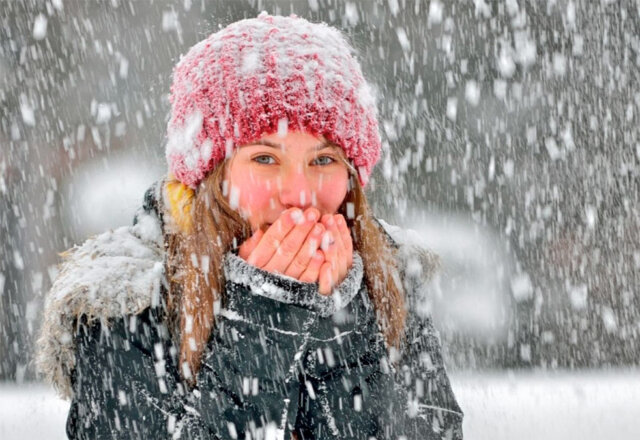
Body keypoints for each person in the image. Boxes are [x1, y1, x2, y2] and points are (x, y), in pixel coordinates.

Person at [35, 13, 463, 440]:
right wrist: (263, 319)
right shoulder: (128, 301)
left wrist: (339, 320)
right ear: (210, 176)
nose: (299, 193)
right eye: (264, 158)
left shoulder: (385, 276)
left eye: (324, 160)